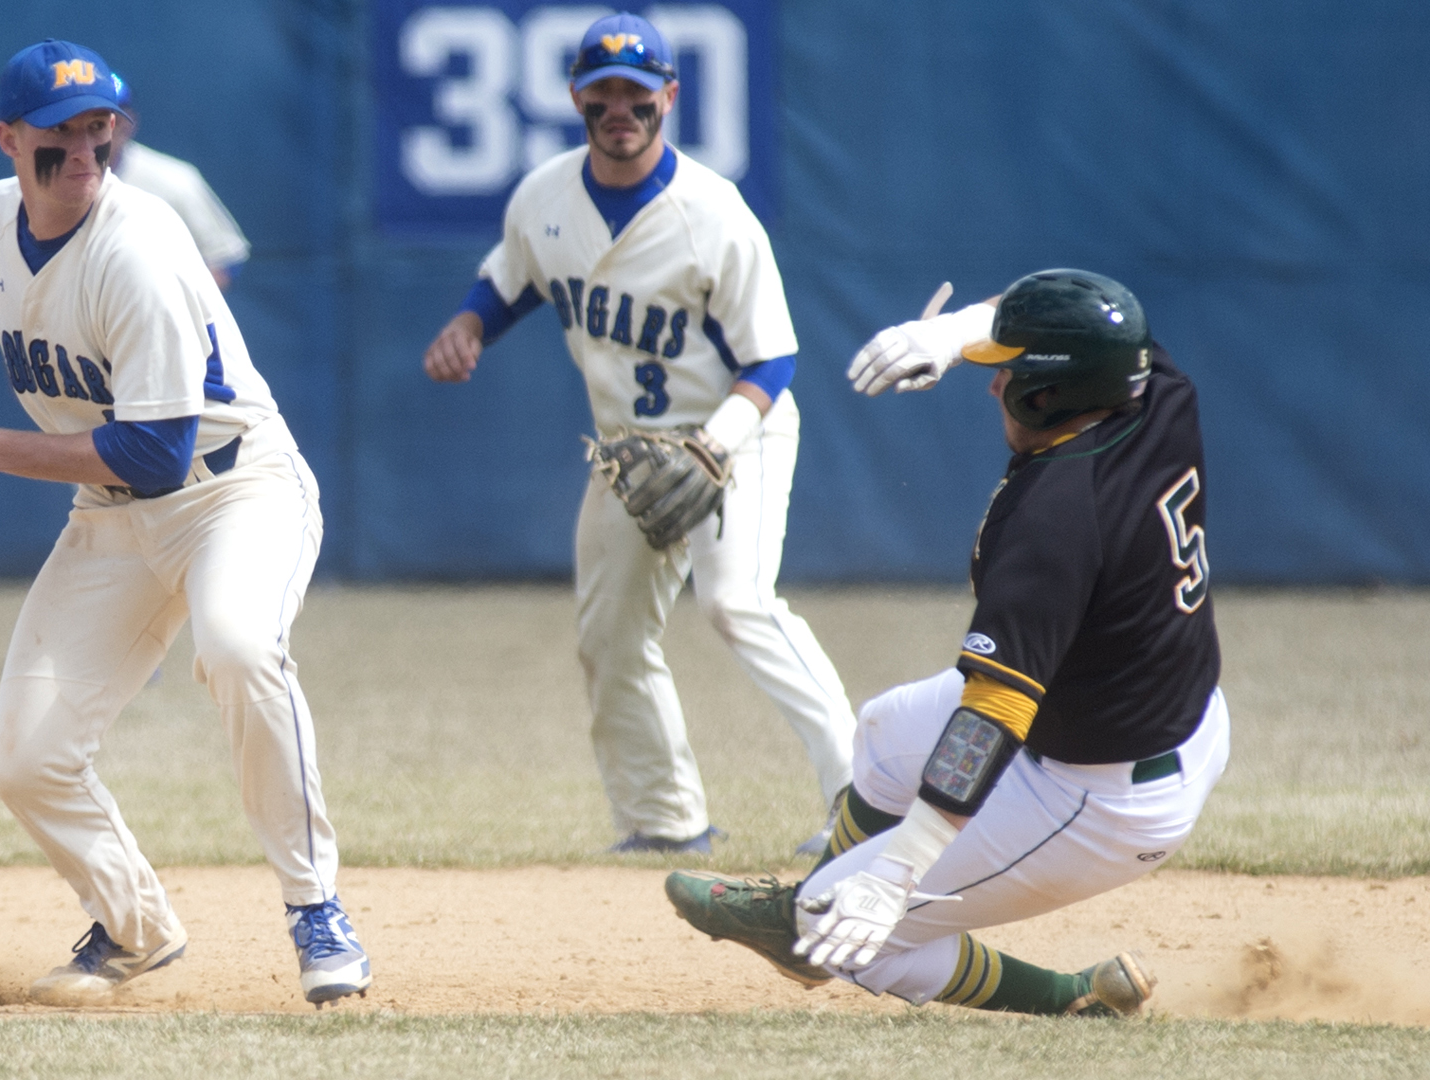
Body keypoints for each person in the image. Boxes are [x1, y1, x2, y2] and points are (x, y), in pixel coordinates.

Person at [0, 39, 368, 1008]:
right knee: (25, 758)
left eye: (97, 129)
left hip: (233, 491)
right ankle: (136, 927)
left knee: (238, 648)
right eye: (58, 135)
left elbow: (154, 452)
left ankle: (316, 905)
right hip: (111, 517)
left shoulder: (138, 251)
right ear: (7, 140)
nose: (82, 149)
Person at [666, 269, 1226, 1017]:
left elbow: (992, 713)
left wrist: (896, 871)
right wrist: (950, 335)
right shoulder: (1153, 391)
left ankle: (1066, 998)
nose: (992, 384)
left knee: (831, 926)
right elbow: (1087, 316)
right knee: (886, 728)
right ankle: (815, 898)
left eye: (1007, 370)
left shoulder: (1057, 517)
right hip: (1148, 710)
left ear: (1046, 394)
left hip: (1098, 794)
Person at [420, 12, 857, 855]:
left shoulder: (714, 214)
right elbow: (512, 279)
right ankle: (664, 820)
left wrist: (715, 447)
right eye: (603, 93)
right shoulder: (544, 195)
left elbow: (771, 364)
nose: (620, 107)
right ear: (577, 100)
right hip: (628, 450)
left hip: (740, 433)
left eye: (637, 92)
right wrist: (470, 326)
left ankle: (860, 797)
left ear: (669, 97)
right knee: (611, 633)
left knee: (737, 604)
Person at [109, 74, 251, 292]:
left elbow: (223, 258)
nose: (103, 132)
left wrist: (170, 308)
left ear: (130, 122)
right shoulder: (46, 183)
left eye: (112, 120)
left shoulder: (173, 181)